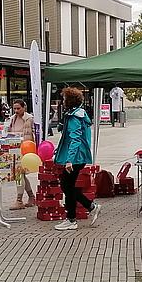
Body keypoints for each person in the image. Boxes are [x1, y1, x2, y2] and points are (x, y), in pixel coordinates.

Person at [53, 87, 100, 231]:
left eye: (64, 99)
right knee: (68, 186)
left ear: (69, 101)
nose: (62, 101)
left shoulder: (74, 117)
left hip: (75, 158)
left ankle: (74, 217)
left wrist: (69, 160)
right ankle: (87, 209)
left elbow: (75, 139)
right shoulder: (79, 114)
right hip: (78, 157)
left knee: (66, 186)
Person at [6, 99, 37, 210]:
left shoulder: (29, 119)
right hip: (14, 149)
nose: (16, 110)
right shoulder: (12, 119)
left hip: (25, 149)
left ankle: (19, 199)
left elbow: (34, 133)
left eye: (18, 108)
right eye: (14, 108)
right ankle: (31, 196)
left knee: (20, 174)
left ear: (24, 108)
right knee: (21, 174)